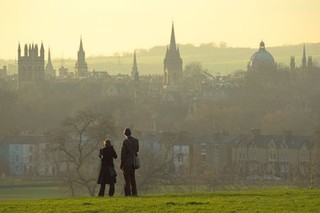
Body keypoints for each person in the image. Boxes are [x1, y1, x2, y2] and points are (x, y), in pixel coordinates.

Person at [120, 128, 139, 196]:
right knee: (133, 178)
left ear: (125, 134)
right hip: (133, 162)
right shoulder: (136, 141)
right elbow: (137, 150)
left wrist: (121, 163)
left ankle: (127, 193)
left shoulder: (125, 142)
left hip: (127, 162)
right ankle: (134, 192)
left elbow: (123, 154)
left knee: (127, 179)